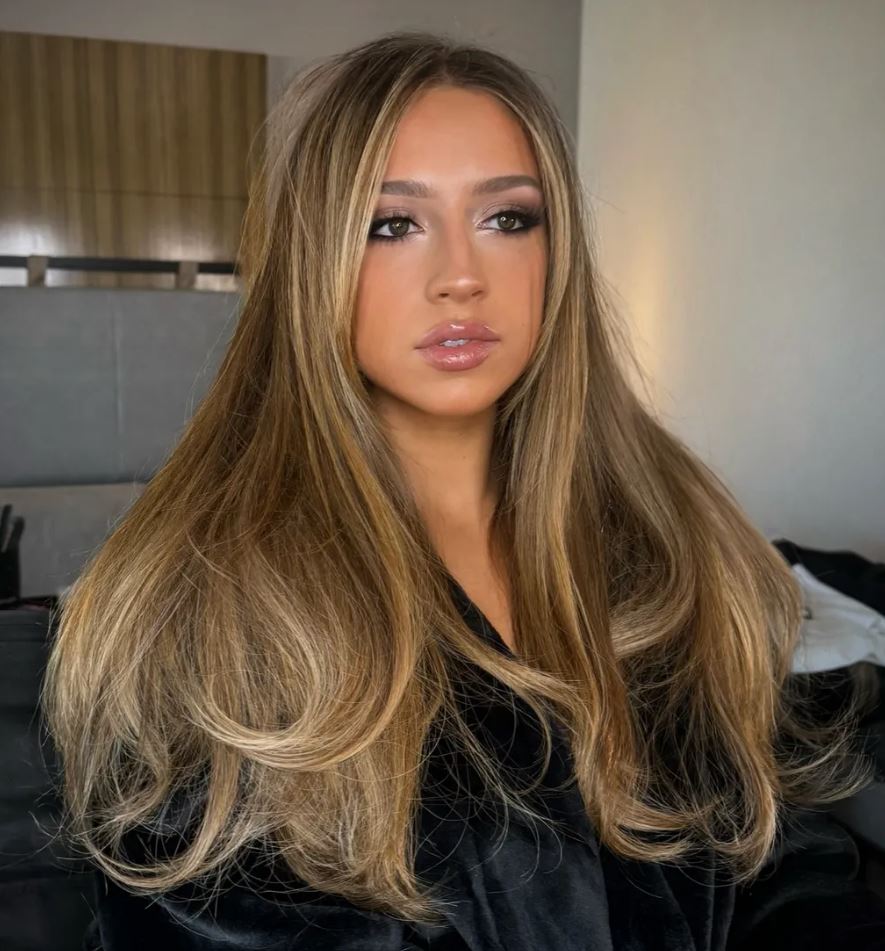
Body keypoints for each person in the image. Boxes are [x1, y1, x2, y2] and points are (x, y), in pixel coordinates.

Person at [42, 30, 885, 950]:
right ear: (311, 258)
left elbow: (773, 837)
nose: (459, 278)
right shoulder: (206, 606)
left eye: (507, 219)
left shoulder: (671, 535)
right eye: (391, 224)